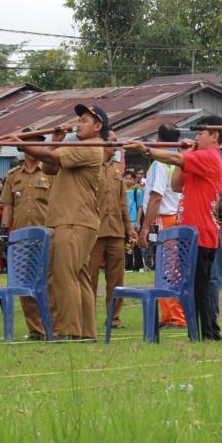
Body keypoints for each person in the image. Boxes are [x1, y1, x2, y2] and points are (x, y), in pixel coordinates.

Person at [125, 116, 222, 342]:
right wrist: (187, 156)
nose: (196, 136)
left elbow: (172, 157)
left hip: (201, 232)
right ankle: (205, 333)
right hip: (190, 231)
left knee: (200, 287)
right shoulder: (198, 157)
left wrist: (147, 150)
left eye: (201, 132)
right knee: (193, 285)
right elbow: (176, 184)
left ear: (215, 136)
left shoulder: (210, 156)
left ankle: (208, 335)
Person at [16, 105, 107, 340]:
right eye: (79, 119)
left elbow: (49, 157)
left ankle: (68, 330)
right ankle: (86, 331)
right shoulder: (78, 146)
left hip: (73, 219)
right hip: (71, 219)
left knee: (63, 275)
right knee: (79, 276)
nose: (79, 123)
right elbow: (50, 167)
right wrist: (55, 140)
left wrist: (22, 143)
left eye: (84, 120)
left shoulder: (91, 146)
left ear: (98, 127)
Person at [1, 135, 55, 339]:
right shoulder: (14, 175)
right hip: (22, 238)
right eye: (29, 143)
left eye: (38, 143)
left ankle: (51, 326)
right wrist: (5, 231)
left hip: (47, 235)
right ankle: (35, 329)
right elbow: (8, 205)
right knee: (25, 283)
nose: (34, 147)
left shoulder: (50, 172)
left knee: (49, 282)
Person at [137, 123, 186, 327]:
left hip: (165, 220)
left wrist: (145, 227)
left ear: (158, 139)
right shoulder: (179, 161)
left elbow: (156, 197)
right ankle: (167, 316)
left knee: (168, 270)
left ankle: (176, 317)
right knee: (167, 269)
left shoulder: (160, 164)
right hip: (177, 218)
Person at [86, 133, 134, 333]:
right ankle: (86, 318)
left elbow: (123, 202)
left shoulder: (117, 169)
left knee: (116, 279)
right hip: (94, 231)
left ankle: (114, 318)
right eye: (112, 141)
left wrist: (130, 228)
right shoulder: (90, 166)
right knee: (89, 277)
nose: (116, 145)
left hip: (116, 230)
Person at [123, 169, 145, 271]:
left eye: (130, 178)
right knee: (127, 244)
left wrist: (138, 222)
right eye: (126, 178)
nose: (128, 180)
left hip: (134, 220)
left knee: (136, 244)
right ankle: (128, 266)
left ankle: (139, 266)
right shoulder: (121, 191)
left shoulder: (138, 191)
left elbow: (140, 207)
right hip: (123, 222)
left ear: (134, 180)